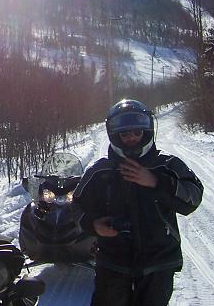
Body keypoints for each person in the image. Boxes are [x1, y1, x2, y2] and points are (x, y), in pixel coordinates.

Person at [73, 99, 203, 306]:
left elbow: (193, 197)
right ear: (114, 135)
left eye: (136, 132)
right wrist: (93, 224)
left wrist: (156, 182)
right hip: (113, 260)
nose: (131, 138)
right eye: (124, 134)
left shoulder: (167, 165)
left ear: (147, 131)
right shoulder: (100, 171)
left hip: (159, 260)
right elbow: (76, 206)